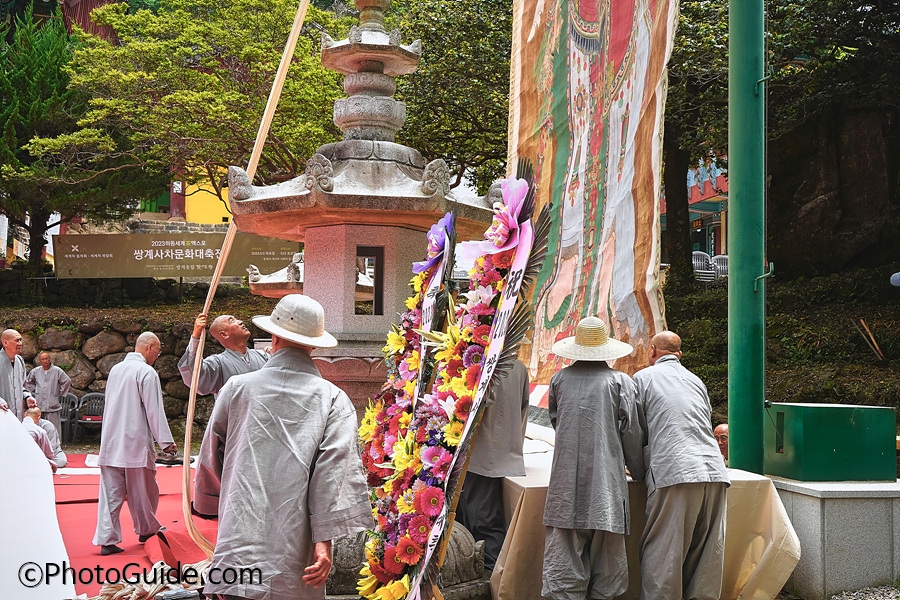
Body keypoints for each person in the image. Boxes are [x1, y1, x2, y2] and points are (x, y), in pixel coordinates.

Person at [194, 294, 373, 600]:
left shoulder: (237, 389)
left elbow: (210, 460)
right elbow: (332, 476)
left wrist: (211, 508)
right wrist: (323, 542)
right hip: (295, 549)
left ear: (273, 337)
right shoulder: (333, 399)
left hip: (238, 540)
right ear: (314, 344)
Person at [541, 316, 645, 600]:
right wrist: (638, 472)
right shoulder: (620, 382)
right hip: (606, 481)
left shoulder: (559, 379)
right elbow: (632, 433)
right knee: (609, 555)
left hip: (565, 480)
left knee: (564, 551)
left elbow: (556, 420)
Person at [632, 331, 730, 600]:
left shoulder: (642, 378)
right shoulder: (695, 380)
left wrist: (639, 472)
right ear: (679, 354)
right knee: (706, 556)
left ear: (652, 351)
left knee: (664, 554)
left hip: (675, 470)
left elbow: (634, 431)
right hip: (714, 470)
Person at [93, 332, 176, 556]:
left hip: (111, 440)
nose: (157, 356)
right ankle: (147, 528)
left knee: (110, 494)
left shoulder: (116, 370)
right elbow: (154, 410)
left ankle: (106, 539)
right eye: (157, 351)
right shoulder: (146, 372)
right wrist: (166, 442)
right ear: (149, 347)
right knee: (144, 491)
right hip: (135, 441)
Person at [457, 358, 530, 572]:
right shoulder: (517, 367)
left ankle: (491, 575)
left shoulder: (483, 365)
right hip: (494, 454)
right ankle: (487, 570)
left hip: (482, 455)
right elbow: (523, 411)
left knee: (482, 519)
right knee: (477, 517)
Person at [178, 313, 268, 398]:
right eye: (232, 321)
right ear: (224, 334)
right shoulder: (217, 364)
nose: (240, 321)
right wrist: (196, 336)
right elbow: (195, 376)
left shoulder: (263, 356)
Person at [24, 351, 71, 438]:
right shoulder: (35, 371)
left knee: (54, 426)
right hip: (39, 402)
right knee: (39, 424)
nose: (45, 361)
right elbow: (27, 382)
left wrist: (59, 392)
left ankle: (55, 445)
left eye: (46, 359)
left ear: (49, 359)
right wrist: (35, 391)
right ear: (40, 361)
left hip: (52, 402)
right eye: (42, 359)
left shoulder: (57, 371)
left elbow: (66, 381)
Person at [0, 329, 33, 419]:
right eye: (16, 340)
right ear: (5, 343)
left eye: (20, 340)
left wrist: (27, 397)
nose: (20, 343)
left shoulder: (20, 361)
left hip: (18, 414)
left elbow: (22, 386)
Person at [22, 407, 58, 473]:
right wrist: (52, 463)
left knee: (61, 460)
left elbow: (53, 445)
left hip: (19, 460)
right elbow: (48, 452)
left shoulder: (15, 428)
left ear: (25, 415)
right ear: (38, 417)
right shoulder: (40, 431)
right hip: (36, 458)